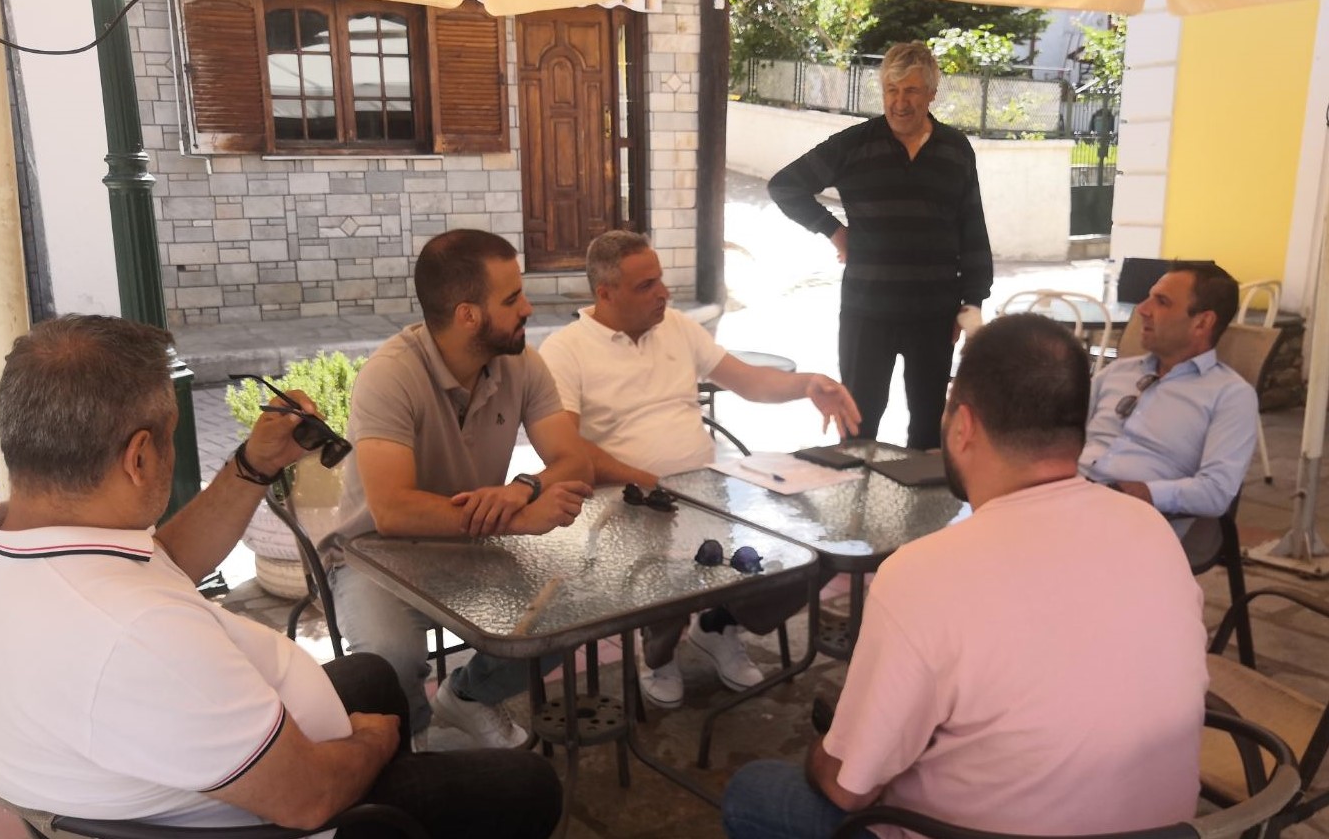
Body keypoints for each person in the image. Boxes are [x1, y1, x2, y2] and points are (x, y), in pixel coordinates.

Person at [0, 315, 561, 839]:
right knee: (526, 785)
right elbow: (308, 798)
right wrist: (372, 742)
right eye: (171, 437)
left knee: (371, 675)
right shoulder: (138, 636)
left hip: (142, 778)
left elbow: (163, 562)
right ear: (139, 456)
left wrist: (253, 466)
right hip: (272, 815)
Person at [720, 314, 1209, 839]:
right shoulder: (1150, 529)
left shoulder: (924, 574)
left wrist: (830, 749)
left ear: (963, 425)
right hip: (1165, 831)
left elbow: (847, 788)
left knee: (754, 790)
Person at [539, 229, 861, 708]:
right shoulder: (566, 350)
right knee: (672, 574)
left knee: (812, 549)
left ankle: (717, 626)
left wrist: (808, 384)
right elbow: (565, 449)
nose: (664, 293)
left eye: (660, 279)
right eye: (646, 285)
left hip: (708, 491)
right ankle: (659, 655)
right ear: (605, 294)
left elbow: (748, 381)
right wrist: (653, 482)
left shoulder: (677, 327)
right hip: (627, 507)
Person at [321, 229, 594, 749]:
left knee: (571, 610)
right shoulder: (391, 374)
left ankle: (468, 696)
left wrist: (524, 487)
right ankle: (413, 742)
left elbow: (575, 460)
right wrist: (518, 518)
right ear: (468, 315)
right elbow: (393, 510)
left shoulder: (521, 363)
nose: (528, 308)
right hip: (373, 556)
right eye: (512, 299)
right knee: (390, 657)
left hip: (469, 546)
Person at [768, 41, 992, 451]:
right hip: (867, 312)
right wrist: (834, 231)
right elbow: (785, 186)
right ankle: (854, 492)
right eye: (892, 90)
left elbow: (971, 226)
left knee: (928, 431)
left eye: (911, 91)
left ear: (931, 94)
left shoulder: (955, 149)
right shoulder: (854, 145)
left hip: (934, 314)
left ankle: (922, 496)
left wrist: (972, 302)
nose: (900, 102)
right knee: (858, 424)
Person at [1081, 261, 1258, 522]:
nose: (1142, 310)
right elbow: (1062, 433)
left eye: (1162, 302)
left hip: (1134, 520)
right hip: (1071, 497)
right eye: (1149, 298)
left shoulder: (1230, 396)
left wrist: (1146, 493)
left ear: (1202, 323)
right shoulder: (1118, 372)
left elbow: (1216, 492)